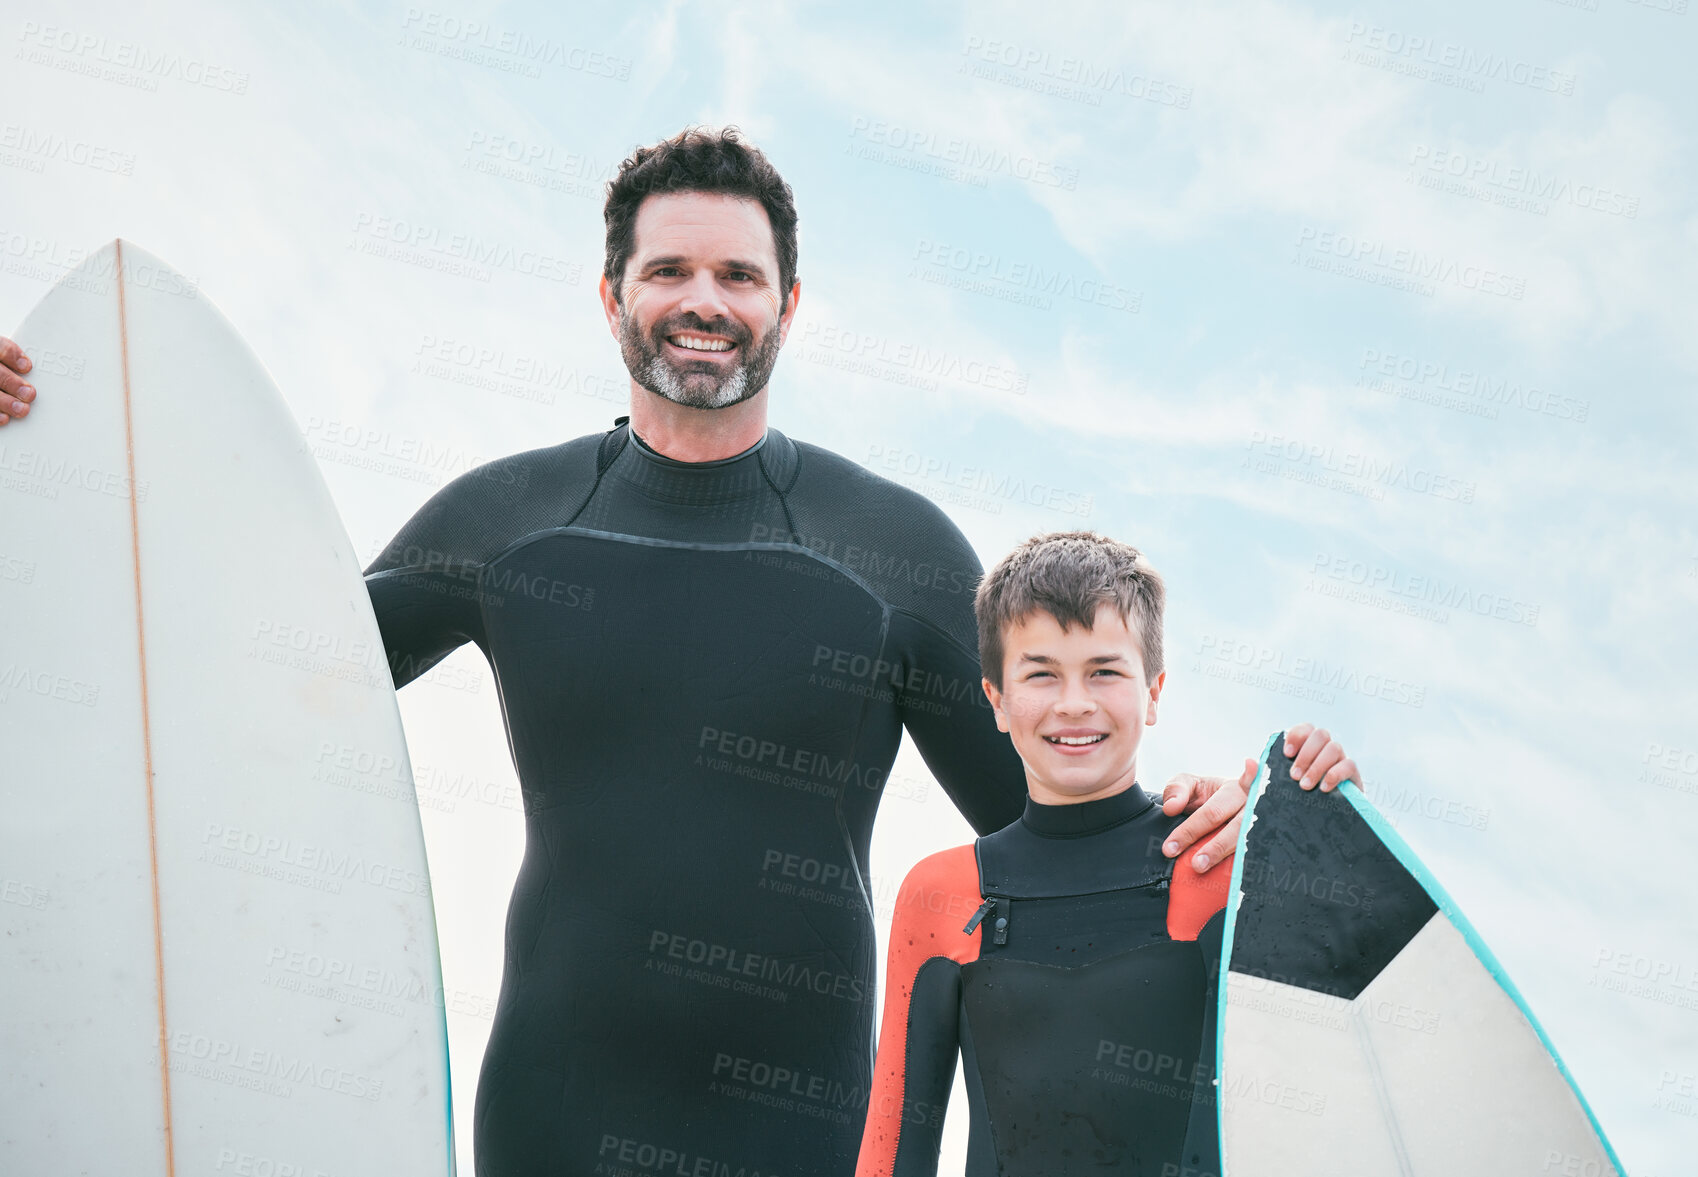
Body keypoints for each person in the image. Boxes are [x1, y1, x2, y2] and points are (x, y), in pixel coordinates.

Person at [0, 128, 1351, 1177]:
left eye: (735, 276)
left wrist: (1257, 822)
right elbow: (237, 683)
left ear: (788, 302)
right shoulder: (503, 519)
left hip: (803, 1127)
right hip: (550, 1107)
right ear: (610, 296)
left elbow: (1046, 833)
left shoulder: (890, 547)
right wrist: (44, 466)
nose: (701, 302)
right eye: (669, 272)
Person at [856, 531, 1360, 1177]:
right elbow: (890, 1155)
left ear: (1153, 692)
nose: (1074, 702)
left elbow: (1345, 1023)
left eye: (1105, 670)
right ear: (997, 701)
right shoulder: (941, 893)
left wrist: (1329, 814)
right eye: (1041, 672)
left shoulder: (1217, 866)